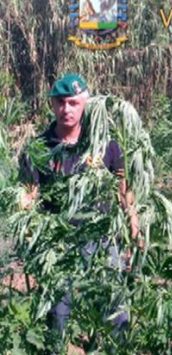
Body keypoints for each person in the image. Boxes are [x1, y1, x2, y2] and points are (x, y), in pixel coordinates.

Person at [18, 73, 140, 343]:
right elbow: (30, 195)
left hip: (102, 238)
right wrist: (27, 234)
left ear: (85, 104)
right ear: (52, 105)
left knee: (115, 310)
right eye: (60, 102)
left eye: (73, 102)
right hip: (59, 242)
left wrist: (133, 227)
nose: (66, 109)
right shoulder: (38, 148)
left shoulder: (105, 144)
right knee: (58, 314)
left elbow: (124, 188)